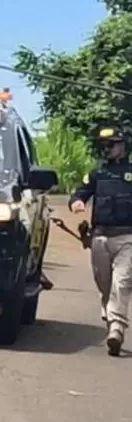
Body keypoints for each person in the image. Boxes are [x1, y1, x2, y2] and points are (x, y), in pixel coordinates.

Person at [70, 124, 132, 356]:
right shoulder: (98, 173)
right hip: (100, 237)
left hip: (127, 237)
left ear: (123, 145)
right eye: (103, 146)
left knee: (121, 283)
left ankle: (116, 328)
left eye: (111, 145)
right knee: (103, 283)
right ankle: (110, 314)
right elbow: (81, 192)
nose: (106, 149)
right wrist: (77, 202)